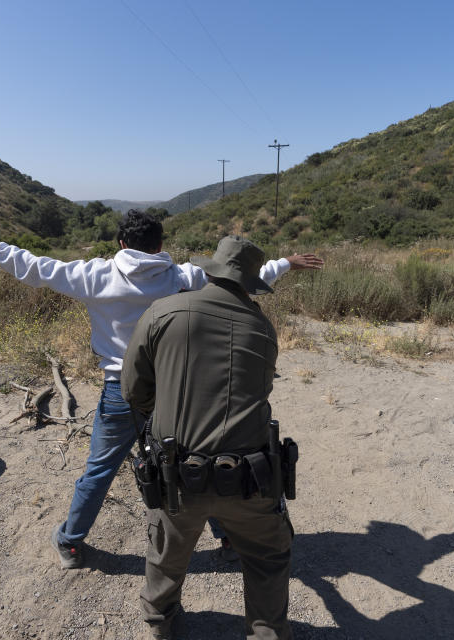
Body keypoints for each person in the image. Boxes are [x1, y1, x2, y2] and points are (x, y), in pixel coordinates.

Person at [0, 212, 321, 569]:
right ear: (160, 245)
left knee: (100, 469)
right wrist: (288, 263)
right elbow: (241, 277)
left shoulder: (95, 277)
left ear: (121, 244)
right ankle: (229, 539)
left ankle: (71, 542)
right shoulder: (182, 278)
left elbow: (32, 266)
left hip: (122, 392)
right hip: (176, 390)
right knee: (193, 460)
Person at [121, 235, 294, 639]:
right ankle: (267, 632)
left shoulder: (163, 311)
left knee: (166, 554)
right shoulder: (263, 328)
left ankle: (160, 624)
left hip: (177, 473)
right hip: (252, 475)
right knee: (269, 559)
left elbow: (133, 391)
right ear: (250, 284)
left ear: (211, 271)